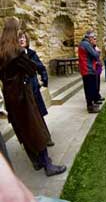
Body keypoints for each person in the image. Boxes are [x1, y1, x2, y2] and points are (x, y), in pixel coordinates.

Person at [0, 17, 66, 176]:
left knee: (23, 130)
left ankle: (36, 162)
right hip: (23, 96)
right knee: (36, 128)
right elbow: (31, 70)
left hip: (10, 98)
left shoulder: (1, 51)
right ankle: (47, 165)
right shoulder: (17, 52)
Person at [18, 32, 54, 147]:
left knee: (38, 115)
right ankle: (31, 142)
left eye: (23, 37)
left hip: (34, 89)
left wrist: (44, 80)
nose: (21, 40)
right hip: (22, 92)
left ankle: (46, 138)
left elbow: (41, 68)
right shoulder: (14, 56)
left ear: (27, 40)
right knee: (28, 118)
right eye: (19, 38)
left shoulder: (32, 54)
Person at [78, 30, 101, 113]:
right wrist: (98, 51)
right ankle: (90, 107)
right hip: (88, 69)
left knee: (90, 88)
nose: (93, 39)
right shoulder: (86, 44)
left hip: (87, 69)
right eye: (92, 37)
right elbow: (95, 55)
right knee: (89, 89)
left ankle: (91, 105)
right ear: (89, 37)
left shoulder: (84, 43)